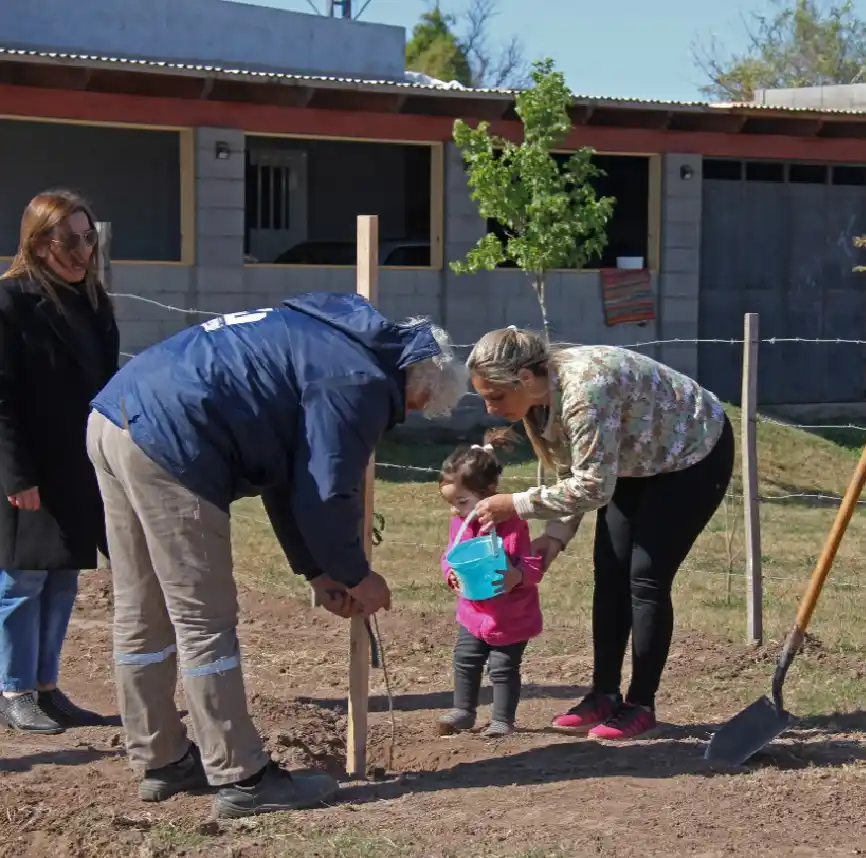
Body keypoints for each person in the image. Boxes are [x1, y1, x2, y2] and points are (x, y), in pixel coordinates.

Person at [85, 294, 468, 819]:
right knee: (204, 619)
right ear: (418, 384)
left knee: (141, 608)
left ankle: (162, 759)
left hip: (114, 416)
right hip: (175, 439)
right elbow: (325, 491)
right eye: (418, 407)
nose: (407, 416)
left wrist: (316, 571)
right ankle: (241, 776)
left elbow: (286, 479)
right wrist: (359, 576)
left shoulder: (329, 337)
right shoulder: (359, 383)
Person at [467, 328, 734, 742]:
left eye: (495, 395)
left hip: (691, 453)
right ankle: (603, 694)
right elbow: (572, 470)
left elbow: (593, 487)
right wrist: (555, 536)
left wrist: (516, 503)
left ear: (523, 377)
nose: (489, 407)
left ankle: (640, 705)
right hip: (634, 459)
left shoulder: (584, 390)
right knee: (609, 570)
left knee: (645, 577)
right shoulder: (541, 401)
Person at [0, 190, 119, 735]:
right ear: (38, 242)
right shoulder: (11, 302)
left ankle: (48, 689)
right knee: (21, 582)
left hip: (79, 466)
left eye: (87, 236)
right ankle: (13, 691)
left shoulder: (94, 303)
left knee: (63, 580)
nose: (81, 249)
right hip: (26, 468)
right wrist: (16, 475)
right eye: (68, 238)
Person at [437, 430, 543, 738]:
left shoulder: (513, 525)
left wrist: (516, 576)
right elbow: (450, 555)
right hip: (474, 610)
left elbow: (532, 564)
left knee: (502, 667)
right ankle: (463, 710)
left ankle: (501, 719)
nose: (456, 510)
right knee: (465, 659)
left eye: (462, 501)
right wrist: (450, 573)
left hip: (510, 615)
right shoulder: (460, 522)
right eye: (451, 503)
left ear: (489, 492)